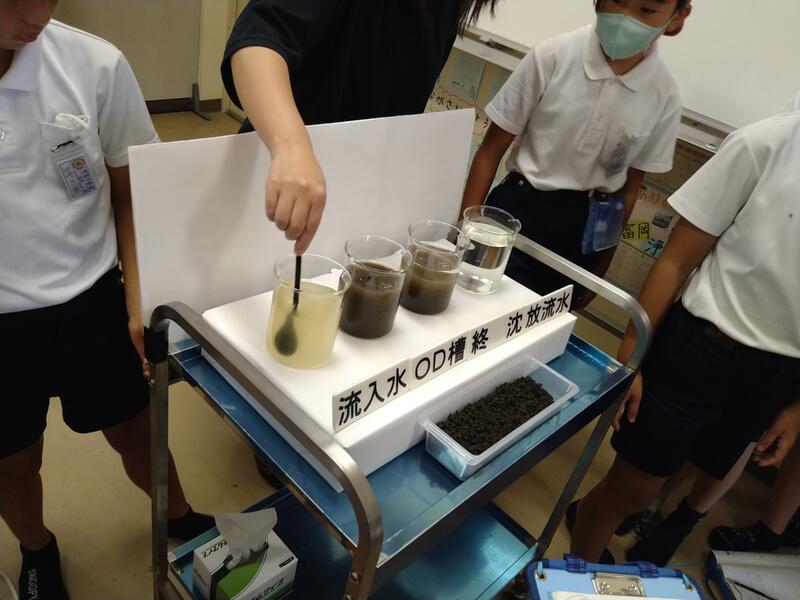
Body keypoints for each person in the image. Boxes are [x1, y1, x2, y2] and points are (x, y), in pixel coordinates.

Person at [0, 2, 211, 599]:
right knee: (12, 458)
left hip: (90, 296)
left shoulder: (94, 65)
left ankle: (177, 514)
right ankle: (37, 547)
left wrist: (138, 300)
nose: (37, 14)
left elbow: (130, 194)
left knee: (137, 429)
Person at [569, 109, 800, 565]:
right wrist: (631, 357)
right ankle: (573, 572)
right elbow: (675, 260)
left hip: (777, 374)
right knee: (632, 490)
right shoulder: (764, 144)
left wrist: (796, 405)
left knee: (692, 467)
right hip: (703, 352)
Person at [221, 0, 499, 256]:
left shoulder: (446, 8)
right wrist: (292, 148)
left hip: (356, 195)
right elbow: (257, 42)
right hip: (279, 179)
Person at [460, 0, 692, 305]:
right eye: (616, 1)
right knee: (478, 308)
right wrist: (464, 232)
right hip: (519, 208)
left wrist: (599, 270)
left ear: (677, 18)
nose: (625, 19)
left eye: (646, 10)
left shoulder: (665, 94)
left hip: (586, 227)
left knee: (544, 323)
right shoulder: (552, 55)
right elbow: (490, 151)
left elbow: (627, 190)